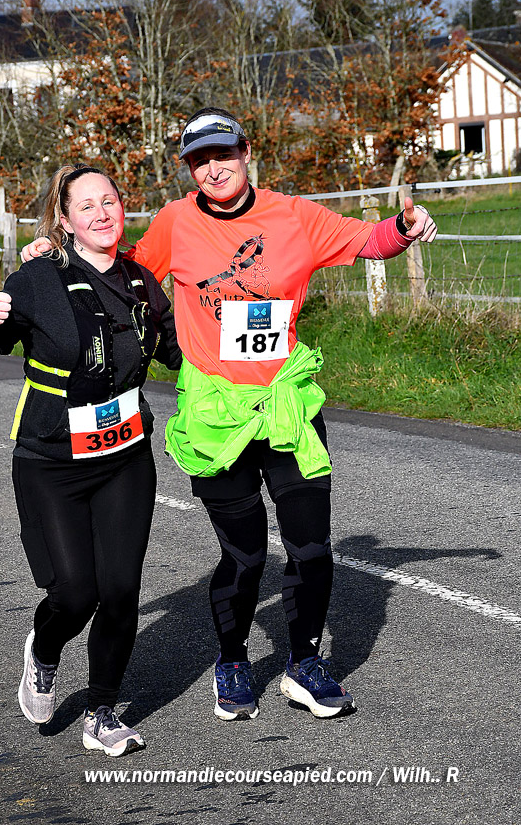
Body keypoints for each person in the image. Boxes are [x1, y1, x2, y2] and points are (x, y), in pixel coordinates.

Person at [22, 109, 437, 723]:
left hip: (285, 404)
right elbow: (116, 268)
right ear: (189, 169)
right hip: (216, 413)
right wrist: (52, 258)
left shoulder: (294, 216)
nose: (214, 169)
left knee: (311, 548)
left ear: (246, 152)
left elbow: (367, 241)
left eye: (223, 155)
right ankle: (234, 662)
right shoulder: (175, 221)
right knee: (245, 556)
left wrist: (405, 226)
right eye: (199, 161)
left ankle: (304, 664)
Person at [0, 164, 181, 756]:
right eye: (86, 206)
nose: (102, 213)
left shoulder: (141, 282)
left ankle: (102, 712)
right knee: (75, 594)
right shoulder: (39, 278)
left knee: (121, 590)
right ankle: (44, 650)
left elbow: (182, 352)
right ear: (64, 220)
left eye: (109, 201)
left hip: (125, 458)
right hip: (52, 461)